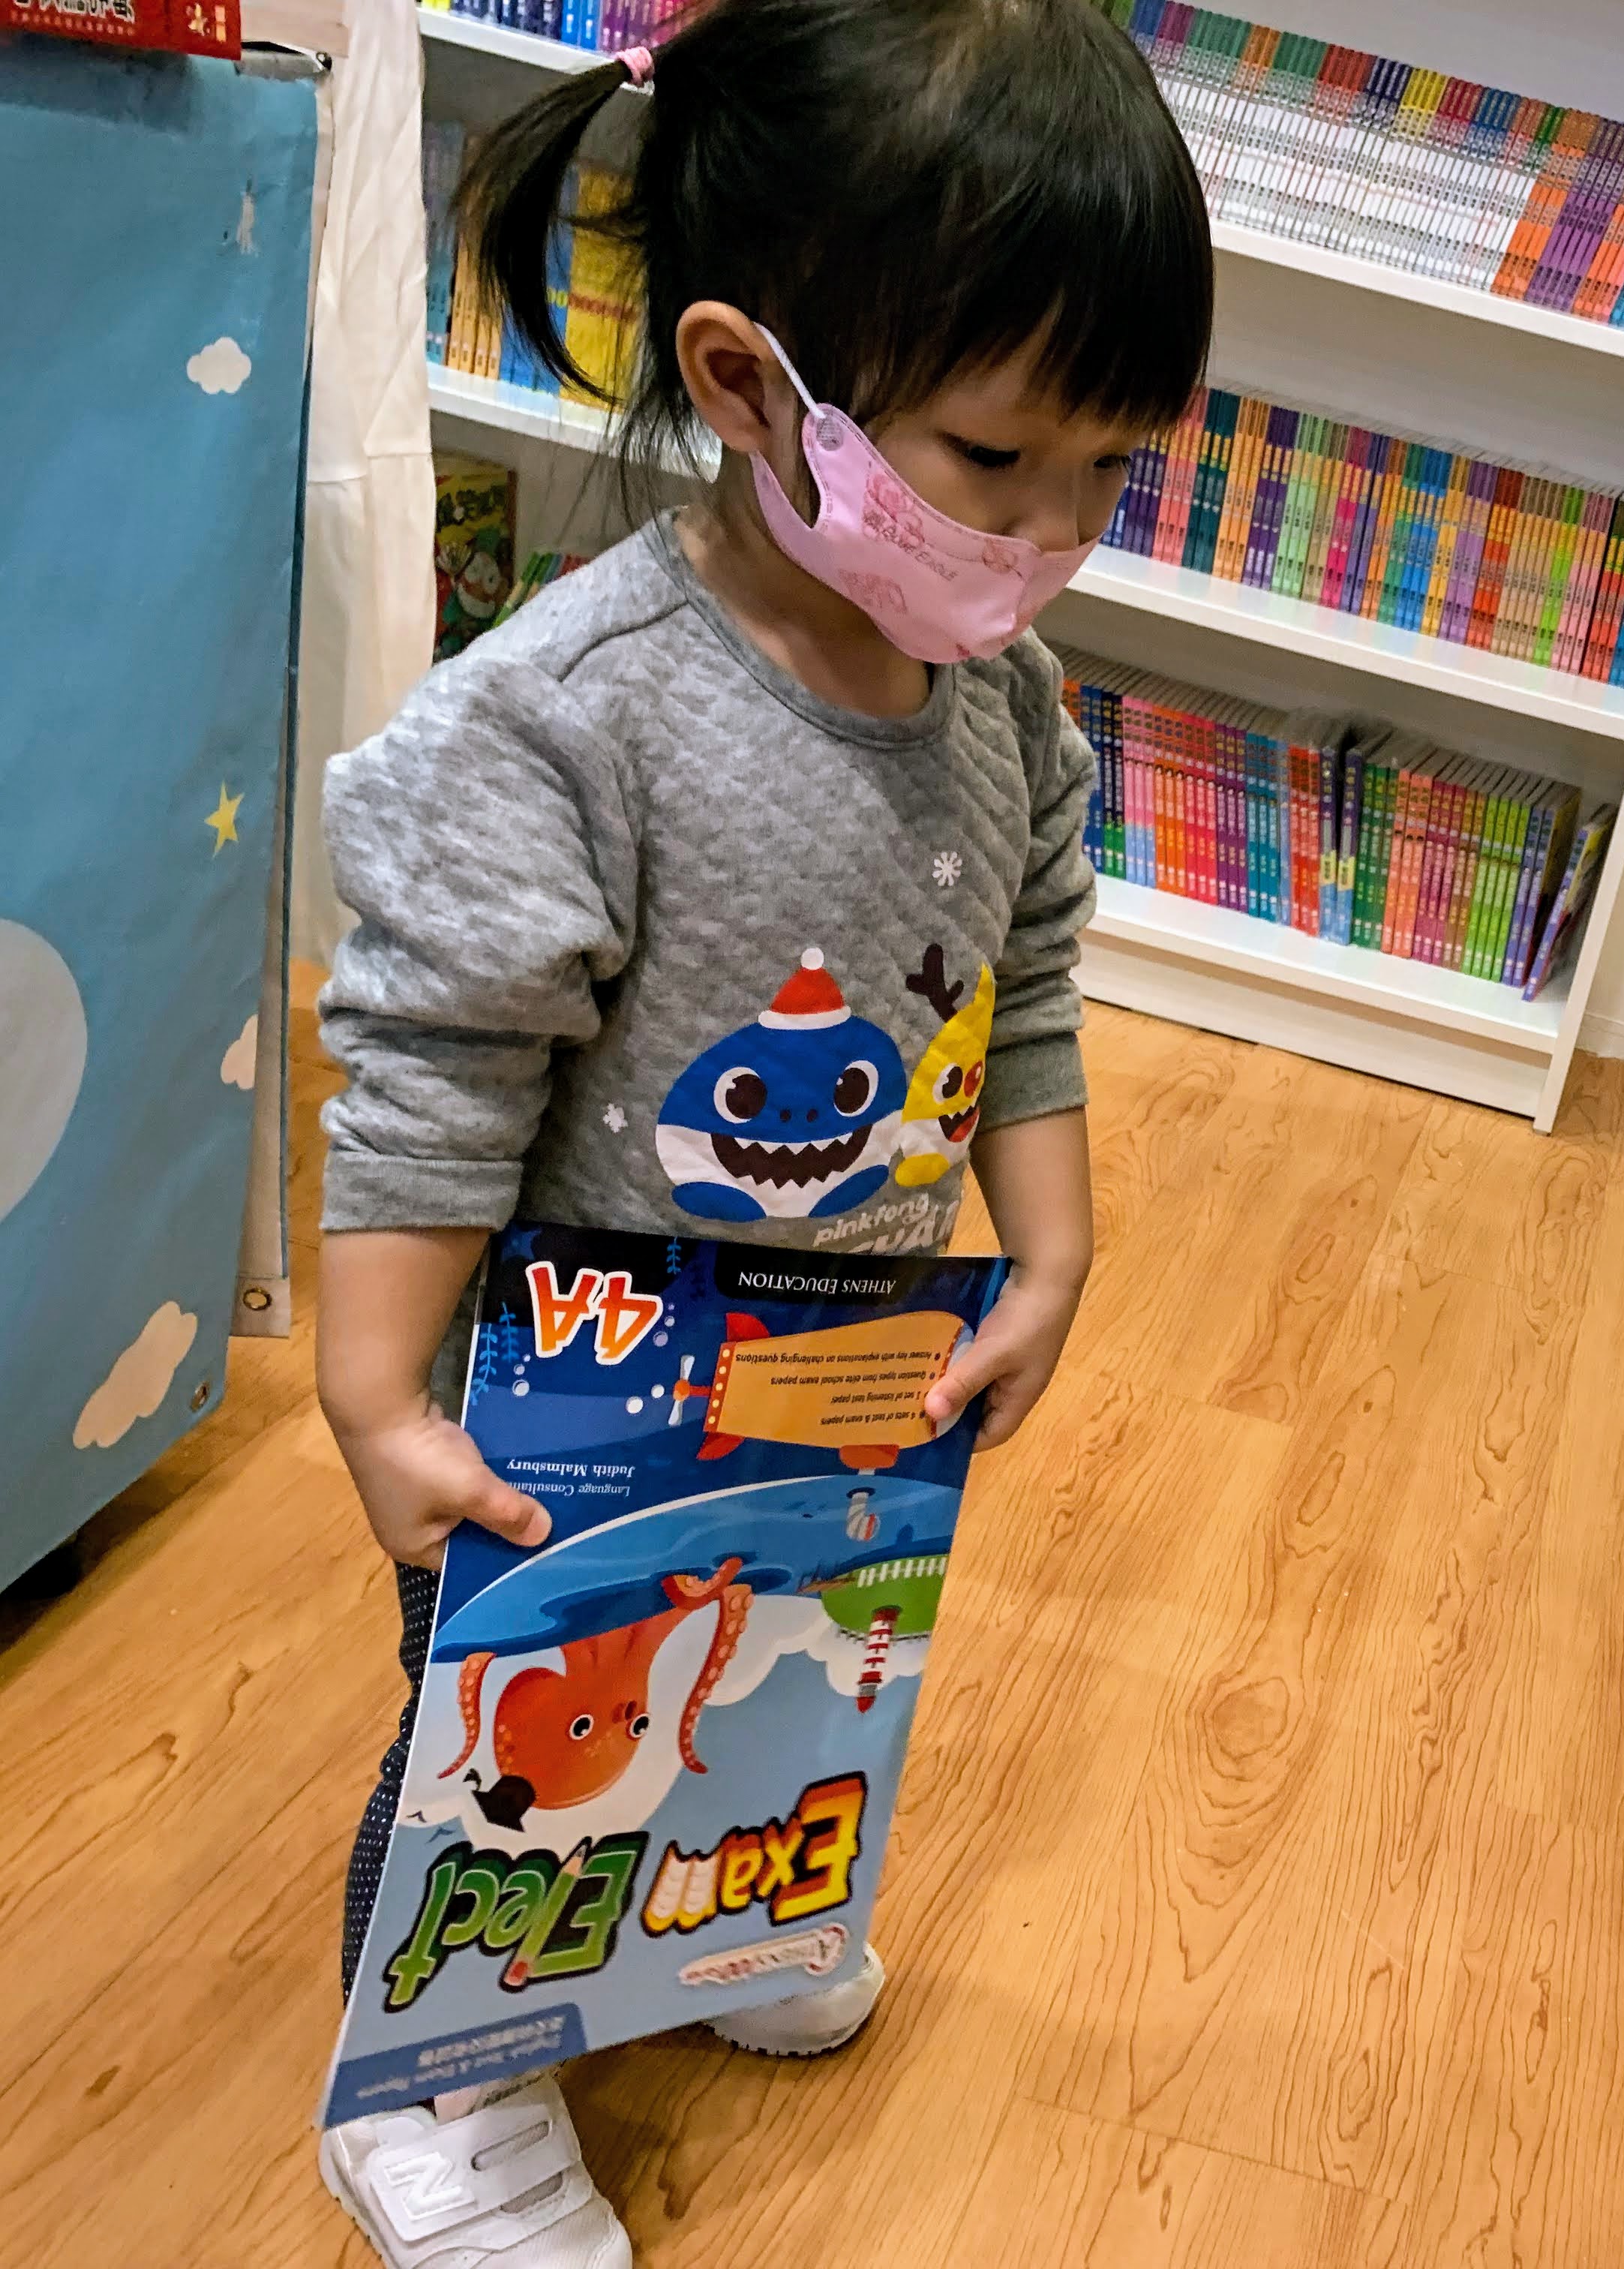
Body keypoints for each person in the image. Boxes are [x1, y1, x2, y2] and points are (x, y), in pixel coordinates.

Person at [307, 2, 1209, 2258]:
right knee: (510, 1723)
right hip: (568, 1394)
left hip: (838, 1359)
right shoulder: (571, 721)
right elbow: (431, 1070)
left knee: (782, 1656)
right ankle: (435, 2082)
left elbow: (1024, 979)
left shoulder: (1006, 701)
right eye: (997, 458)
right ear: (745, 382)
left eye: (1115, 470)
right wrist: (378, 1396)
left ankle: (721, 1909)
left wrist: (1056, 1250)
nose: (1056, 536)